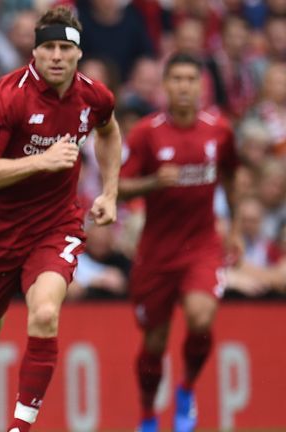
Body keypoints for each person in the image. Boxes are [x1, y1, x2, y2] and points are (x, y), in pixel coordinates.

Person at [0, 6, 123, 432]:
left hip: (56, 227)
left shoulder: (94, 96)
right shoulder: (8, 96)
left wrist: (111, 192)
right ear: (34, 52)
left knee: (44, 313)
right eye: (48, 47)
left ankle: (21, 426)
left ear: (78, 54)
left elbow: (110, 130)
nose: (56, 56)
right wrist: (42, 161)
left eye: (65, 48)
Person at [118, 53, 239, 432]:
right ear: (165, 86)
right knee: (154, 341)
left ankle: (186, 388)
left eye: (191, 79)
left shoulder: (219, 130)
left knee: (202, 318)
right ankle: (147, 413)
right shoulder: (146, 132)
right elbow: (119, 187)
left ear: (201, 85)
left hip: (201, 245)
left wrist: (232, 224)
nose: (184, 86)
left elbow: (232, 174)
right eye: (177, 79)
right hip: (156, 252)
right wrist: (154, 182)